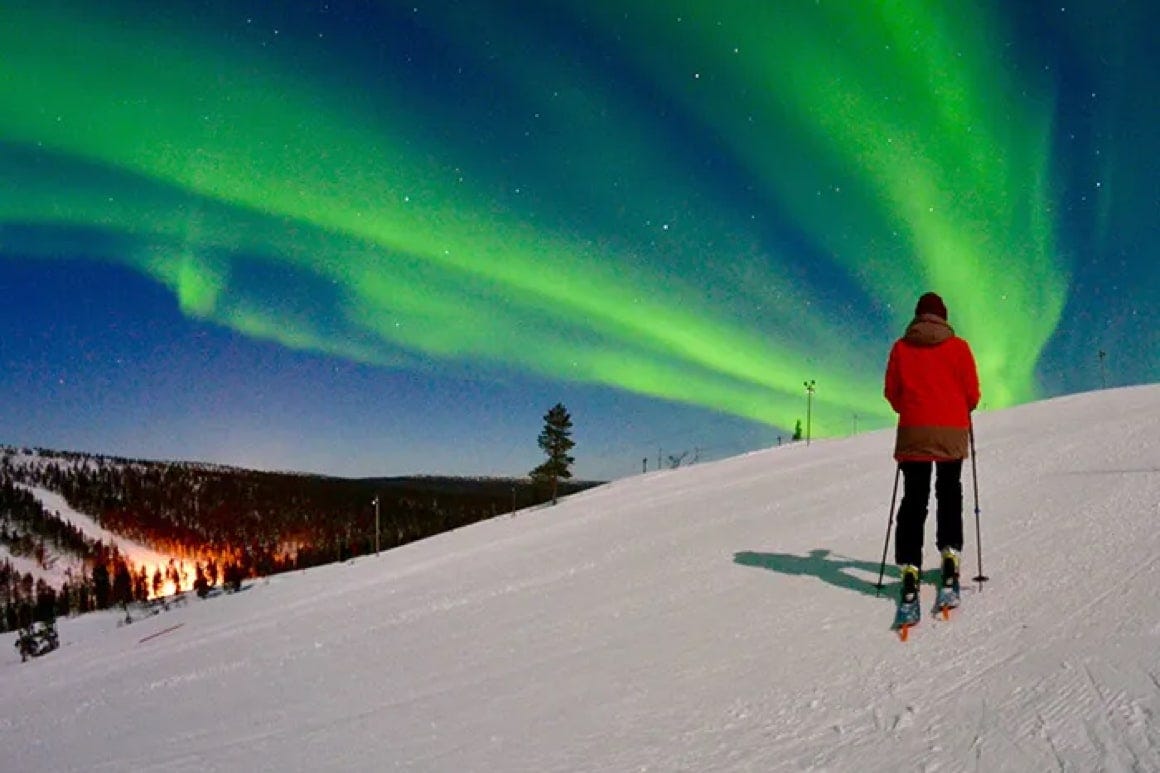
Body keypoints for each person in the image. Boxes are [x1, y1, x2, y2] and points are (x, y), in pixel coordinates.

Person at [884, 292, 980, 607]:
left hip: (914, 432)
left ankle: (910, 566)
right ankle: (950, 556)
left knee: (914, 499)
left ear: (917, 316)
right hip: (951, 431)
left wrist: (911, 409)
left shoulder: (901, 347)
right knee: (949, 492)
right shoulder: (960, 348)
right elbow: (972, 395)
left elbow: (892, 393)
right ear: (943, 316)